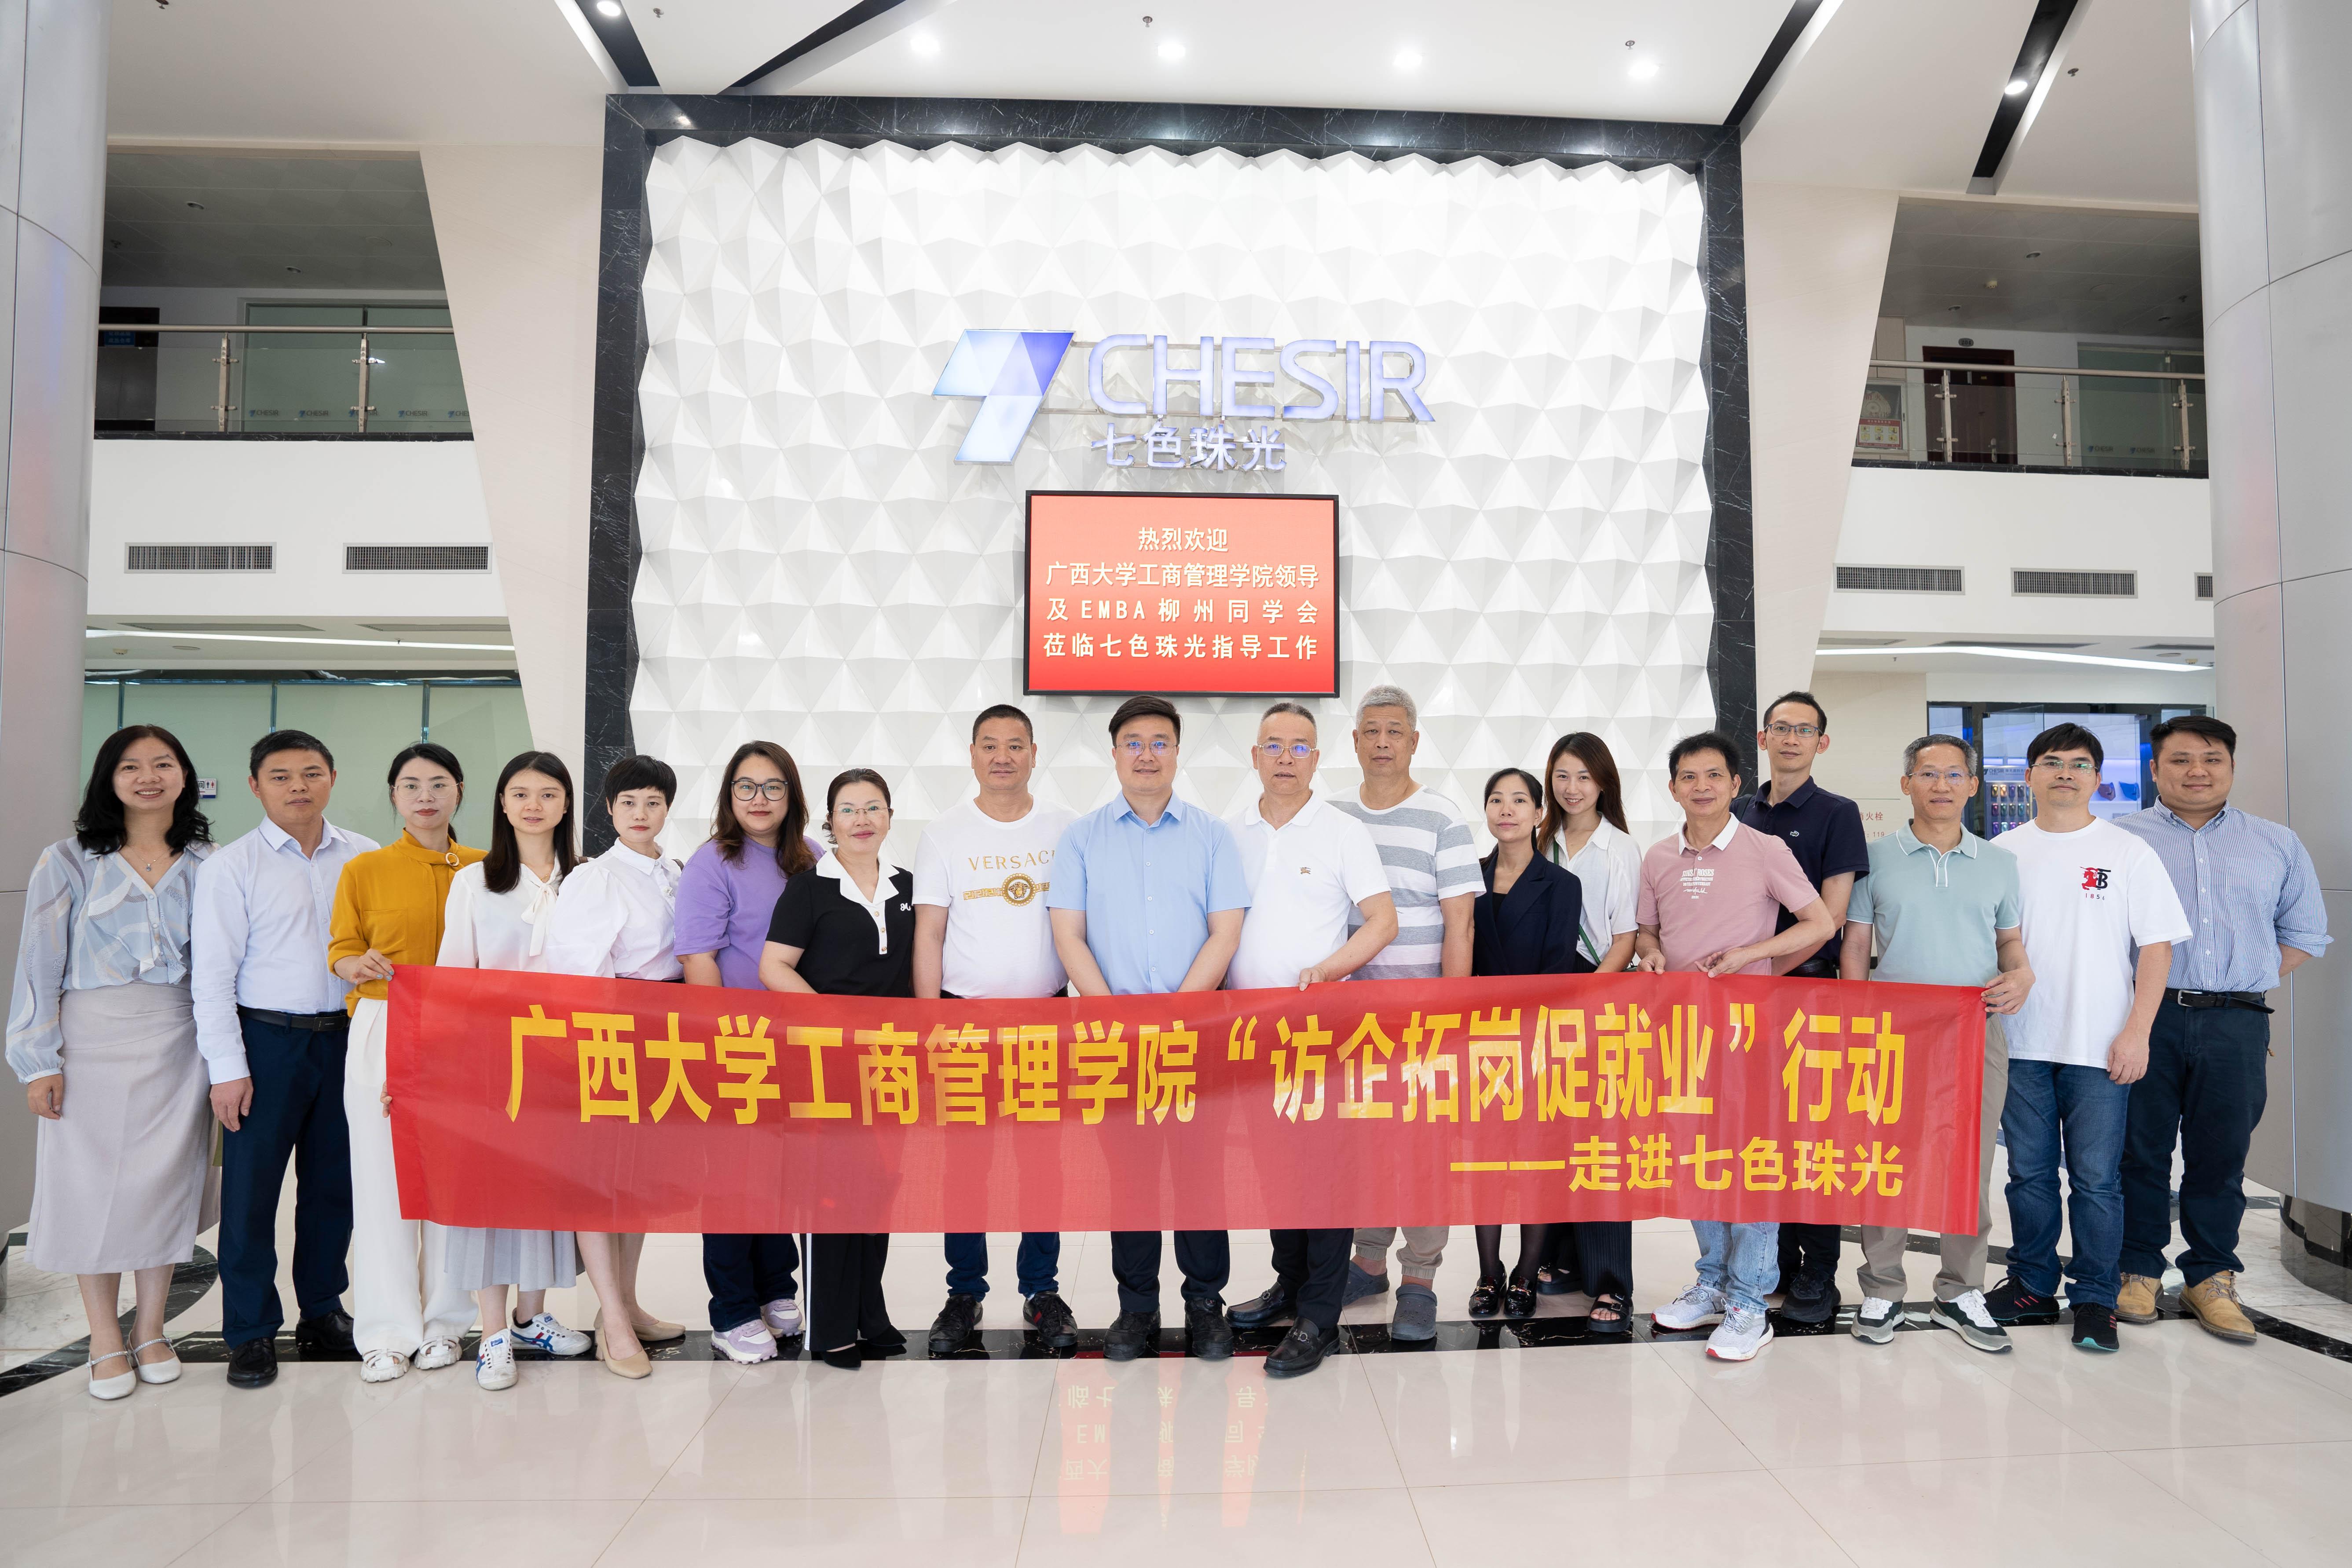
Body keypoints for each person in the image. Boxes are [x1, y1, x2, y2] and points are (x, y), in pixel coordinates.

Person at [8, 727, 214, 1399]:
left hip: (179, 1043)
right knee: (89, 1191)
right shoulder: (67, 861)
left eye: (163, 764)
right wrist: (39, 1061)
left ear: (184, 776)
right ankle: (103, 1336)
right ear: (109, 778)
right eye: (131, 766)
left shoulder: (211, 862)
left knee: (164, 1187)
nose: (148, 777)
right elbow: (38, 966)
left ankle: (151, 1329)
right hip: (89, 1043)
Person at [2114, 715, 2328, 1343]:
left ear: (2231, 768)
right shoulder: (2121, 840)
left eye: (2211, 759)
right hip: (2144, 1018)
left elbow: (2304, 935)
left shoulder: (2275, 843)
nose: (2197, 772)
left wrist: (2238, 979)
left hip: (2236, 1021)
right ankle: (2137, 1269)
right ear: (2155, 770)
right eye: (2180, 760)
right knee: (2139, 1150)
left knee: (2221, 1155)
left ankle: (2210, 1276)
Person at [1049, 695, 1249, 1362]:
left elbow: (1226, 933)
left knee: (1200, 1174)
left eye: (1159, 742)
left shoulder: (1212, 835)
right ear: (1114, 754)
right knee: (1129, 1178)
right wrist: (1115, 1018)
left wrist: (1176, 1018)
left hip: (1197, 1036)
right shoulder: (1081, 838)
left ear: (1177, 753)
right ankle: (1136, 1307)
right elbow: (1068, 935)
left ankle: (1205, 1303)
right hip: (1112, 1038)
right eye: (1133, 742)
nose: (1146, 754)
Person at [1982, 722, 2189, 1354]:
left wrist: (2137, 1033)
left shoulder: (2127, 852)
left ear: (2097, 779)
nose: (2065, 773)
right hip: (2020, 1041)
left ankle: (2096, 1298)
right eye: (2052, 762)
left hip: (2100, 1047)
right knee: (2028, 1175)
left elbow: (2156, 949)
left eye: (2078, 764)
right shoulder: (2000, 852)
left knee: (2098, 1180)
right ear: (2029, 776)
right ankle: (2031, 1284)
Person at [1638, 729, 1837, 1362]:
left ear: (1734, 785)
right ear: (1674, 788)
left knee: (1750, 1161)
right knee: (1698, 1161)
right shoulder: (1658, 857)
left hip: (1749, 1036)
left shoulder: (1764, 848)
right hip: (1681, 1036)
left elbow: (1819, 922)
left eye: (1713, 775)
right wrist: (1650, 954)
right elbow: (1647, 932)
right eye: (1688, 777)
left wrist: (1755, 957)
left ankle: (1751, 1301)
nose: (1701, 787)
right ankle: (1713, 1283)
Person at [193, 729, 377, 1391]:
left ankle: (322, 1312)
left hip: (347, 1039)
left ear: (332, 778)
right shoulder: (231, 867)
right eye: (280, 776)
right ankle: (248, 1331)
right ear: (255, 786)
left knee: (334, 1188)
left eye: (311, 773)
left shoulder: (365, 856)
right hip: (265, 1044)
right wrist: (227, 1069)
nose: (298, 786)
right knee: (250, 1195)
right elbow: (212, 978)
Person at [1220, 702, 1398, 1377]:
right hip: (1247, 1035)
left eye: (1299, 747)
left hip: (1319, 1033)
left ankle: (1319, 1316)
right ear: (1255, 755)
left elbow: (1381, 921)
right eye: (1274, 745)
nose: (1286, 757)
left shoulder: (1342, 831)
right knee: (1274, 1171)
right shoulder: (1228, 832)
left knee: (1322, 1177)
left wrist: (1327, 971)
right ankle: (1289, 1286)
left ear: (1317, 759)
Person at [1840, 735, 2033, 1354]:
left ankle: (1960, 1290)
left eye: (1954, 774)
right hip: (1892, 1033)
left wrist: (2022, 973)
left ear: (1973, 786)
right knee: (1886, 1161)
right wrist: (1855, 1021)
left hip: (1974, 1027)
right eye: (1928, 774)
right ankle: (1882, 1288)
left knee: (1969, 1162)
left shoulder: (2000, 863)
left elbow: (2008, 943)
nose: (1941, 785)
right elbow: (1856, 945)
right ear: (1907, 785)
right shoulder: (1875, 859)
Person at [912, 705, 1081, 1356]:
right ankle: (964, 1291)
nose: (1002, 757)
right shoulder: (944, 834)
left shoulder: (1065, 828)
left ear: (1034, 753)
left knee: (1042, 1164)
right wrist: (929, 1024)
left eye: (1015, 745)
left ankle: (1042, 1289)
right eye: (990, 745)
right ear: (973, 755)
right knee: (966, 1166)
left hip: (1045, 1019)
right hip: (964, 1022)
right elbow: (929, 934)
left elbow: (1079, 925)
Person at [432, 752, 595, 1391]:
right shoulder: (475, 882)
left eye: (548, 793)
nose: (534, 805)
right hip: (492, 1061)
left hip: (565, 1063)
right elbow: (453, 979)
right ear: (502, 803)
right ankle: (493, 1331)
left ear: (566, 804)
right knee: (490, 1195)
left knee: (547, 1192)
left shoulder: (586, 878)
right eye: (520, 793)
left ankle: (532, 1317)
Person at [328, 742, 486, 1383]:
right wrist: (354, 963)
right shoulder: (364, 869)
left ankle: (447, 1323)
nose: (426, 796)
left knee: (455, 1181)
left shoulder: (485, 868)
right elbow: (341, 948)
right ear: (394, 795)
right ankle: (387, 1333)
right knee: (381, 1180)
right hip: (384, 1024)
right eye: (412, 785)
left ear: (459, 791)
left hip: (466, 1033)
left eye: (439, 783)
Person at [1330, 683, 1479, 1342]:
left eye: (1395, 731)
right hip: (1350, 1020)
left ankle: (1419, 1278)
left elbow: (1460, 925)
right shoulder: (1332, 815)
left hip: (1423, 1021)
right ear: (1355, 741)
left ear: (1414, 741)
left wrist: (1449, 1017)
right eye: (1372, 731)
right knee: (1362, 1147)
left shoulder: (1441, 817)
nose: (1383, 742)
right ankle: (1367, 1264)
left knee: (1423, 1152)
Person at [762, 767, 915, 1370]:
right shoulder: (809, 888)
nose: (861, 819)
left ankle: (869, 1314)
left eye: (873, 807)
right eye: (848, 809)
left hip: (891, 1063)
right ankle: (830, 1328)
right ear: (830, 821)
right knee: (833, 1194)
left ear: (890, 817)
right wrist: (836, 1025)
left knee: (880, 1188)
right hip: (825, 1062)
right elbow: (774, 967)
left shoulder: (908, 886)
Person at [545, 754, 691, 1380]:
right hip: (612, 1035)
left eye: (653, 802)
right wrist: (605, 1041)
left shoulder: (675, 872)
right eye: (628, 802)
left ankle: (628, 1303)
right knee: (601, 1181)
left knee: (639, 1182)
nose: (641, 813)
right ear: (608, 809)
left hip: (666, 1034)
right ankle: (612, 1319)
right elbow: (576, 972)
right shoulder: (595, 878)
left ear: (667, 808)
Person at [677, 740, 821, 1365]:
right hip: (735, 1044)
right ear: (729, 796)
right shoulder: (712, 861)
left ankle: (775, 1287)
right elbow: (698, 956)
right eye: (746, 787)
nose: (759, 799)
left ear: (792, 795)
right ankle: (732, 1310)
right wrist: (719, 1044)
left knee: (778, 1171)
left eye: (772, 787)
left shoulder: (811, 859)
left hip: (797, 1045)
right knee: (732, 1177)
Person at [1733, 691, 1870, 1325]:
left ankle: (1818, 1275)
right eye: (1781, 728)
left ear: (1822, 742)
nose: (1791, 739)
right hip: (1742, 998)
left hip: (1806, 991)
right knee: (1758, 1139)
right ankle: (1773, 1265)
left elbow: (1832, 916)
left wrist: (1763, 969)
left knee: (1813, 1141)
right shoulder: (1738, 809)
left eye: (1804, 730)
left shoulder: (1837, 813)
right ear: (1762, 738)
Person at [1466, 766, 1582, 1323]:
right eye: (1496, 800)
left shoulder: (1561, 884)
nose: (1506, 810)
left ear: (1539, 813)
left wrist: (1524, 1033)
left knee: (1536, 1162)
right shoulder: (1468, 876)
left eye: (1519, 800)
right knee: (1486, 1163)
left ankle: (1526, 1273)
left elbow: (1559, 969)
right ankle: (1489, 1273)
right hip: (1476, 1041)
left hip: (1538, 1041)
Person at [1533, 732, 1641, 1327]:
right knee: (1552, 1136)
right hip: (1541, 1003)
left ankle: (1612, 1284)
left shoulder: (1618, 847)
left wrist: (1589, 999)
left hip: (1598, 997)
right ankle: (1562, 1261)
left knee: (1600, 1141)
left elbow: (1625, 936)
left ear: (1603, 782)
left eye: (1583, 776)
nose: (1571, 788)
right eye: (1561, 776)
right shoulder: (1537, 841)